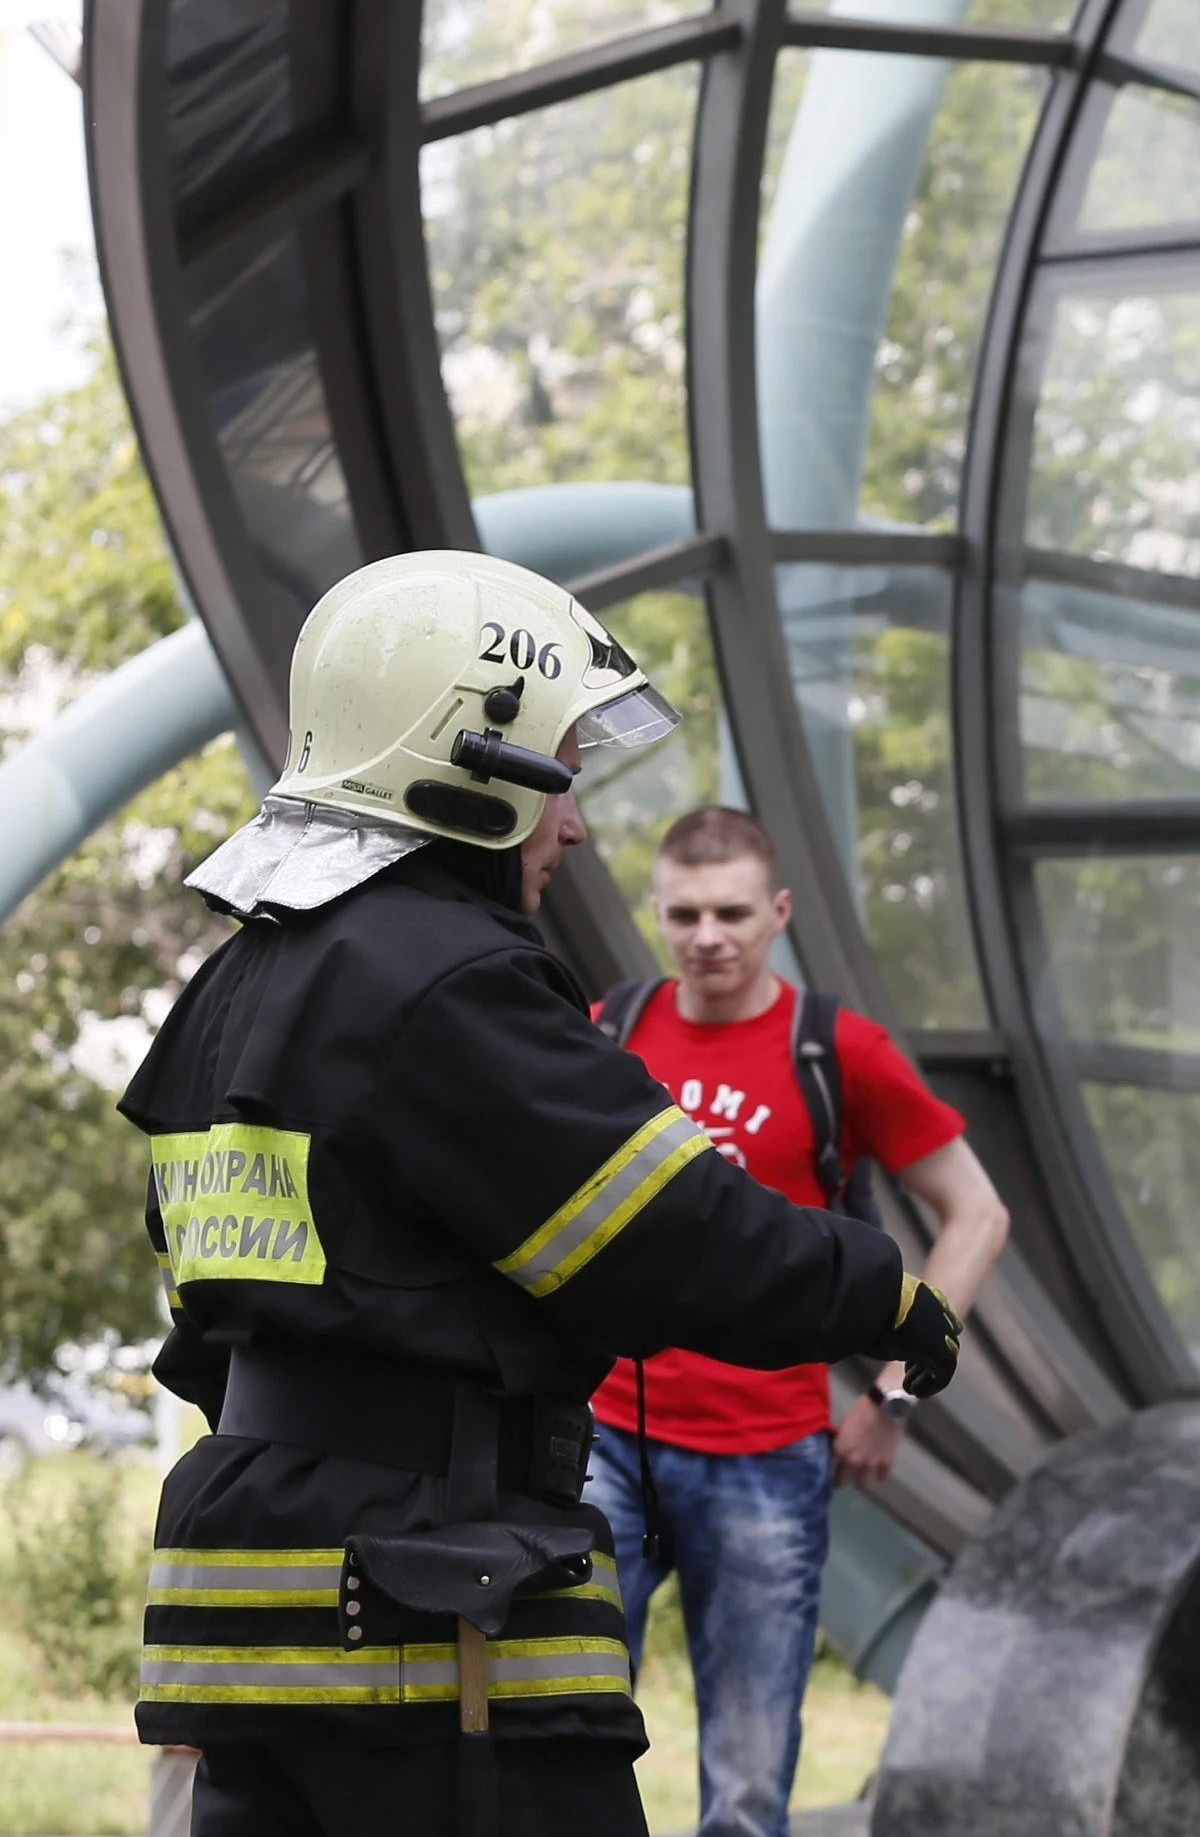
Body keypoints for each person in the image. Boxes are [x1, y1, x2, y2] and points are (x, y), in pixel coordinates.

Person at [122, 550, 959, 1837]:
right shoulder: (447, 977)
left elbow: (203, 1284)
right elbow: (675, 1238)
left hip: (253, 1591)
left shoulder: (240, 976)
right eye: (561, 774)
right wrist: (893, 1297)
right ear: (472, 765)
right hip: (427, 1602)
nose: (572, 823)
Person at [583, 806, 1010, 1837]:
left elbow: (978, 1213)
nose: (707, 937)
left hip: (766, 1452)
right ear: (656, 913)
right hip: (601, 1437)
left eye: (732, 912)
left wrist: (896, 1397)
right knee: (562, 1734)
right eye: (684, 914)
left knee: (748, 1777)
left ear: (778, 911)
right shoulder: (610, 1030)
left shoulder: (837, 1050)